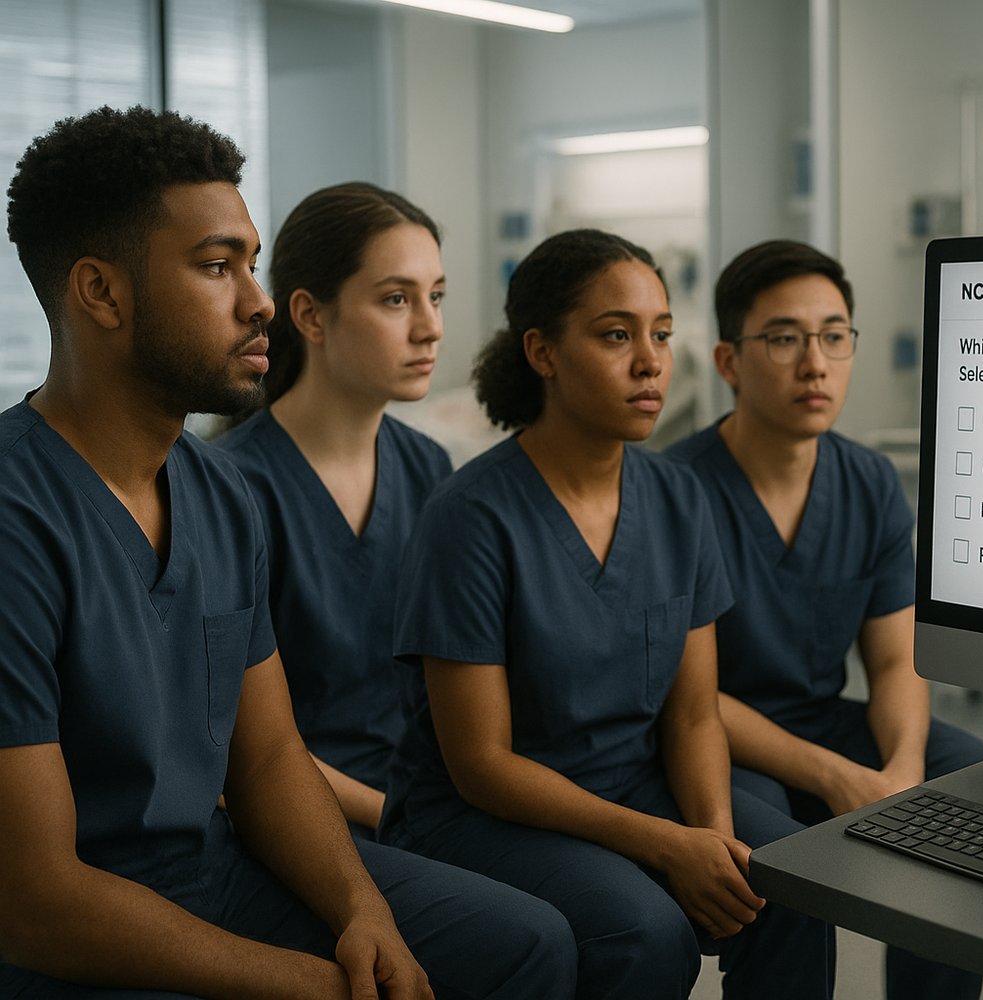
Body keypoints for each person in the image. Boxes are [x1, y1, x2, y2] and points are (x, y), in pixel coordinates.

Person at [0, 105, 574, 1000]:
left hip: (220, 874)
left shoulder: (220, 494)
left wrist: (362, 912)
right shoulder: (16, 518)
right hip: (84, 929)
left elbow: (267, 760)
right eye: (215, 266)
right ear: (101, 293)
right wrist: (302, 981)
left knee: (526, 944)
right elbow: (35, 902)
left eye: (252, 263)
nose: (259, 301)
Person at [380, 228, 835, 1000]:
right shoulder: (471, 517)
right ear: (543, 352)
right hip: (482, 813)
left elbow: (693, 716)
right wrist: (666, 845)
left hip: (634, 779)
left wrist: (714, 837)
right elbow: (481, 765)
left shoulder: (678, 498)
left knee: (791, 878)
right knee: (644, 930)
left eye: (659, 333)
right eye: (616, 336)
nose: (651, 360)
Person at [666, 239, 983, 1000]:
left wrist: (905, 772)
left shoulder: (868, 480)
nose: (815, 362)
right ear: (728, 361)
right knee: (790, 868)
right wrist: (838, 776)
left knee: (971, 786)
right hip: (712, 738)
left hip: (823, 719)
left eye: (834, 336)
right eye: (783, 338)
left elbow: (893, 661)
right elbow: (692, 698)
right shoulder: (675, 491)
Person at [217, 182, 450, 840]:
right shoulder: (233, 488)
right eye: (397, 299)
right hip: (299, 817)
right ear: (311, 317)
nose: (431, 326)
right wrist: (399, 817)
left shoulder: (430, 470)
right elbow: (231, 745)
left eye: (436, 296)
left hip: (428, 802)